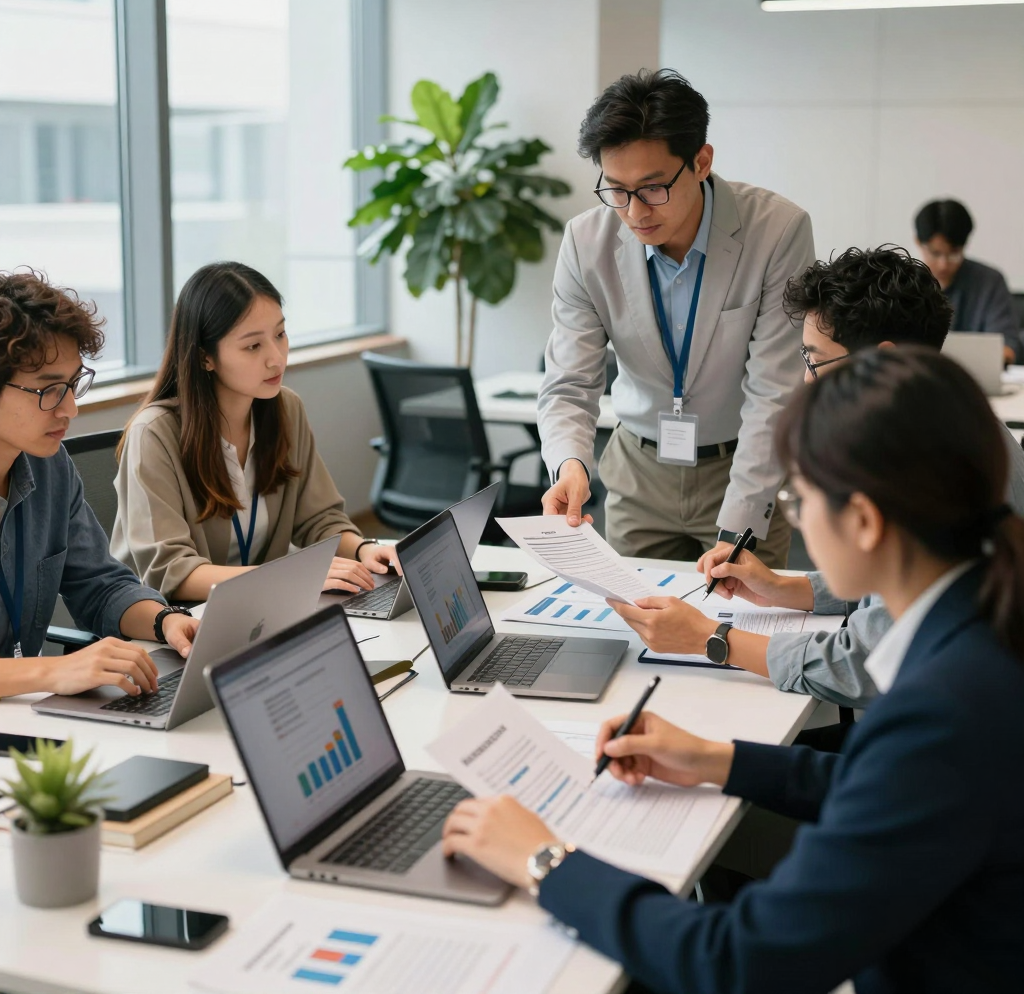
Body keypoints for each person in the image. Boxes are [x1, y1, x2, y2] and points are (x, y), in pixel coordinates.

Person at [442, 347, 1024, 994]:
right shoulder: (983, 626)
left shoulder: (946, 708)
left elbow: (737, 960)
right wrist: (716, 759)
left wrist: (546, 861)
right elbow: (889, 788)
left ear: (863, 521)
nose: (798, 520)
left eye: (800, 502)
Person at [610, 246, 1024, 712]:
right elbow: (893, 597)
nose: (808, 382)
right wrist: (785, 589)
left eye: (815, 361)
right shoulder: (959, 423)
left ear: (882, 360)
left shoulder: (922, 470)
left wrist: (710, 637)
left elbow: (862, 666)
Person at [538, 69, 813, 568]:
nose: (634, 211)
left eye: (653, 187)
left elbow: (775, 391)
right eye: (616, 189)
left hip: (742, 466)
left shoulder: (777, 231)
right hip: (638, 471)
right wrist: (569, 463)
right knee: (631, 627)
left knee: (740, 628)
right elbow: (568, 381)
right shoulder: (585, 242)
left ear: (701, 161)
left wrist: (742, 522)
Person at [112, 262, 394, 602]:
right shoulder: (155, 435)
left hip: (261, 611)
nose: (277, 359)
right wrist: (288, 577)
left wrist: (364, 549)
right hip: (175, 627)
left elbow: (319, 519)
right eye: (253, 346)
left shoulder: (286, 409)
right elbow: (172, 572)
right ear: (205, 358)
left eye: (280, 334)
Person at [0, 270, 198, 699]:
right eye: (49, 390)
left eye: (73, 385)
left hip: (26, 719)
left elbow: (100, 586)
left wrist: (167, 621)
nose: (70, 408)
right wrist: (51, 673)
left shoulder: (50, 467)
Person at [914, 197, 1020, 363]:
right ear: (918, 243)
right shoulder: (905, 282)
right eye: (935, 253)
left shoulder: (989, 282)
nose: (943, 264)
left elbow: (1008, 347)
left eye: (953, 254)